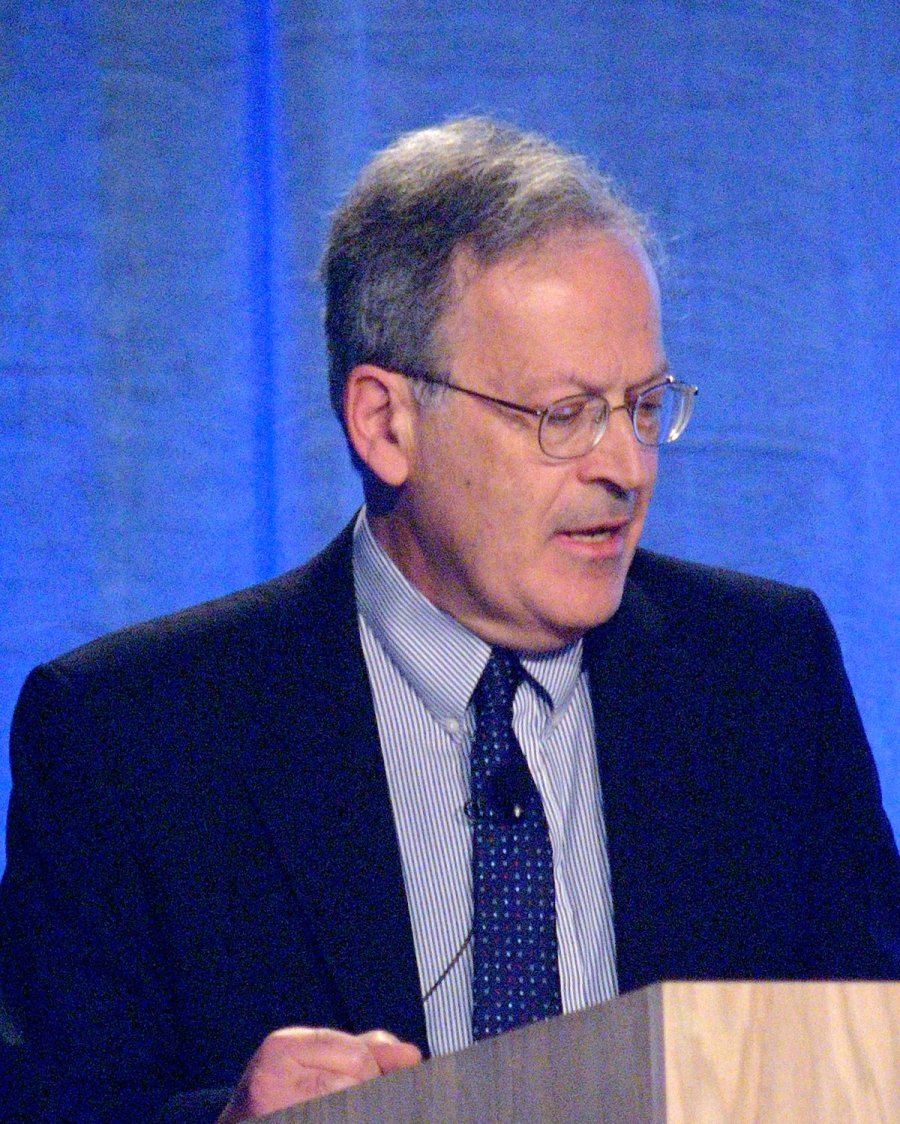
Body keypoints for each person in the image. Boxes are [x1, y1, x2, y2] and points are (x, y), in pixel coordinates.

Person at [1, 117, 898, 1124]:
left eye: (644, 406)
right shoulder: (132, 735)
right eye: (565, 415)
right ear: (385, 422)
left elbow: (872, 1066)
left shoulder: (763, 676)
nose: (627, 467)